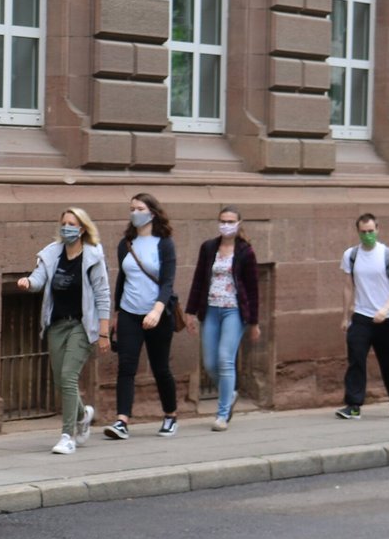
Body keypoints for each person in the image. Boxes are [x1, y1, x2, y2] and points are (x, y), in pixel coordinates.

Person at [17, 207, 112, 456]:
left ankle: (67, 435)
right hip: (57, 325)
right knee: (60, 381)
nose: (67, 228)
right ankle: (83, 414)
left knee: (69, 375)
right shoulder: (52, 254)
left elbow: (103, 295)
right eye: (64, 223)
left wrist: (104, 333)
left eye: (72, 224)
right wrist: (28, 282)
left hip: (81, 326)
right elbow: (39, 278)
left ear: (82, 229)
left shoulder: (92, 257)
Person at [108, 193, 180, 438]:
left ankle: (170, 414)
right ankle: (122, 421)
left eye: (139, 208)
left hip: (157, 314)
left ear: (152, 212)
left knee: (160, 368)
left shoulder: (164, 243)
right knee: (126, 367)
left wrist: (157, 310)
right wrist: (117, 312)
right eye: (131, 208)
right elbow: (122, 278)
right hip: (130, 312)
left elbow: (168, 282)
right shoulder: (126, 243)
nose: (134, 212)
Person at [185, 205, 261, 431]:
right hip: (211, 309)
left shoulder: (246, 251)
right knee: (209, 363)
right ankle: (230, 394)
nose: (226, 225)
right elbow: (199, 279)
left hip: (233, 311)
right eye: (222, 221)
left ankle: (222, 414)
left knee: (225, 359)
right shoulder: (209, 248)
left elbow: (253, 288)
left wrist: (254, 323)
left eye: (230, 221)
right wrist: (190, 312)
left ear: (239, 224)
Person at [337, 212, 389, 419]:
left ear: (378, 229)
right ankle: (354, 405)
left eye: (371, 231)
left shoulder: (388, 255)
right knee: (356, 359)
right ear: (357, 232)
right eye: (363, 232)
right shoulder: (351, 255)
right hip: (361, 316)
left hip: (387, 318)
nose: (368, 235)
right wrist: (344, 316)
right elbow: (348, 286)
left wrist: (385, 308)